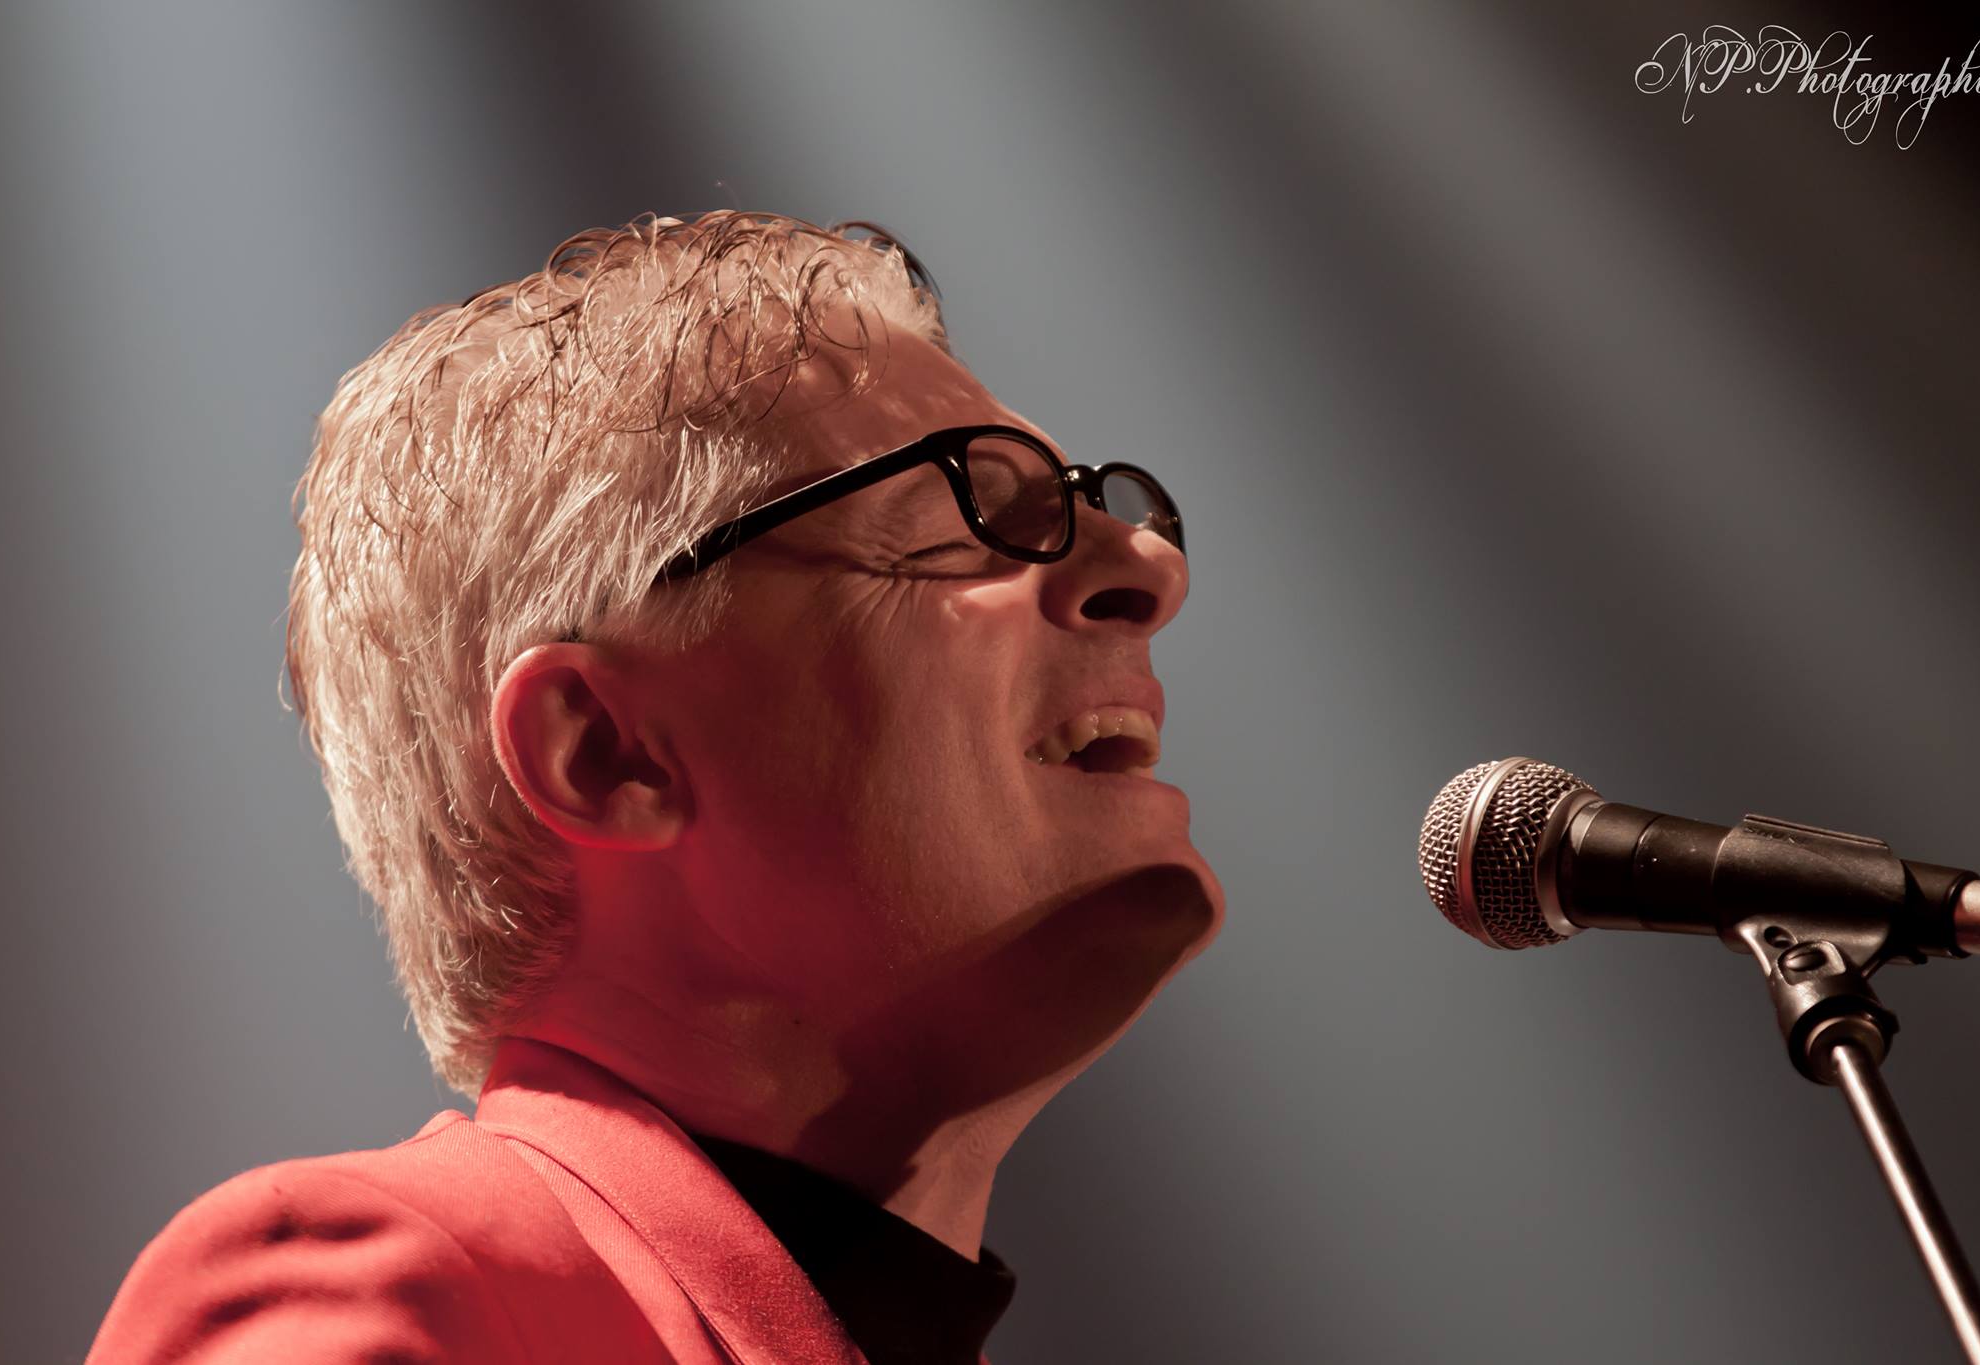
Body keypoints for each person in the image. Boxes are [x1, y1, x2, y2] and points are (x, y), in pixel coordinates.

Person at [88, 210, 1224, 1364]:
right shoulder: (403, 1286)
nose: (1149, 565)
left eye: (1083, 505)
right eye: (971, 517)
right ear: (604, 750)